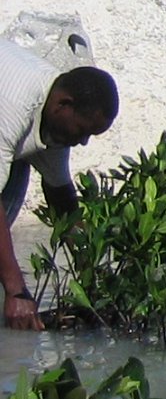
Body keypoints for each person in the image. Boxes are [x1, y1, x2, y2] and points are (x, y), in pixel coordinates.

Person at [0, 42, 118, 330]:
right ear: (63, 105)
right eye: (83, 131)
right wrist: (16, 291)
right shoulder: (14, 106)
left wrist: (93, 286)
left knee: (17, 170)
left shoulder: (52, 113)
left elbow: (61, 201)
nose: (83, 142)